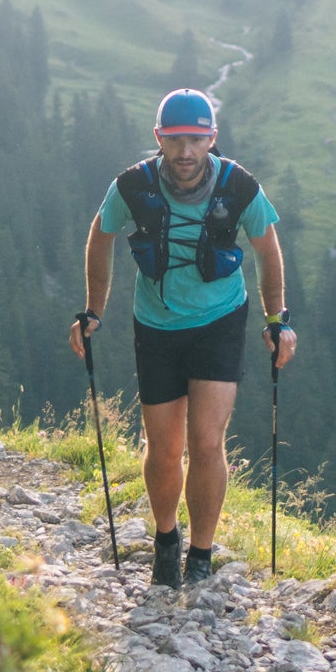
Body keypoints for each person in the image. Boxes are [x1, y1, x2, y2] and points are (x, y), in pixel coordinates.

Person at [69, 89, 297, 587]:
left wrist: (277, 320)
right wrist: (94, 311)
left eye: (196, 140)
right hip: (156, 325)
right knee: (164, 446)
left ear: (212, 139)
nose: (186, 152)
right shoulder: (133, 185)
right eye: (176, 141)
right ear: (159, 140)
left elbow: (268, 250)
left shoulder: (239, 187)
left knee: (206, 440)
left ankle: (200, 555)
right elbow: (100, 233)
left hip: (220, 321)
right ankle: (167, 538)